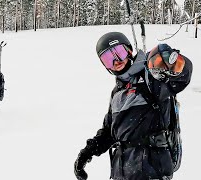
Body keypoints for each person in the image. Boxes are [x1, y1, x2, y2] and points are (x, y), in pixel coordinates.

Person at [74, 32, 193, 180]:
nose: (116, 61)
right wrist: (87, 152)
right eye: (108, 59)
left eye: (119, 53)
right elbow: (109, 132)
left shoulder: (151, 76)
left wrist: (171, 60)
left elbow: (181, 78)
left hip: (152, 169)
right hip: (122, 171)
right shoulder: (117, 93)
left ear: (129, 50)